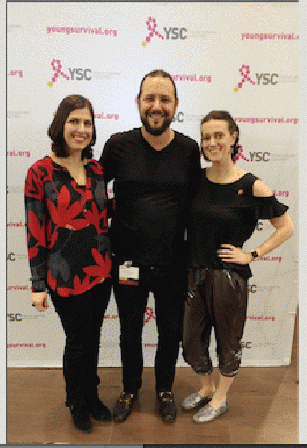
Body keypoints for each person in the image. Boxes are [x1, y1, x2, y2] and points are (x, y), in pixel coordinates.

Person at [99, 69, 201, 422]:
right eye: (150, 99)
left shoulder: (189, 150)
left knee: (169, 332)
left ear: (175, 105)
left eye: (164, 99)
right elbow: (92, 193)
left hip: (173, 265)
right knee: (129, 330)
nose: (157, 106)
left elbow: (196, 205)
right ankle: (129, 389)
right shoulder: (117, 146)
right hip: (127, 263)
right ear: (138, 103)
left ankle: (165, 390)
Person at [181, 110, 294, 423]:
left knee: (228, 342)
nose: (212, 142)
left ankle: (221, 397)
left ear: (233, 138)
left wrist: (253, 254)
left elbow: (286, 227)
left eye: (219, 135)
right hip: (195, 273)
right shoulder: (197, 181)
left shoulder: (251, 185)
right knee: (191, 341)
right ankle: (206, 388)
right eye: (206, 137)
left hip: (229, 278)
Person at [24, 94, 112, 434]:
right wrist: (37, 284)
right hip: (63, 274)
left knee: (93, 337)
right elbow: (34, 230)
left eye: (87, 123)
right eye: (74, 121)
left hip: (100, 270)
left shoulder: (98, 170)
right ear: (61, 125)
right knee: (77, 340)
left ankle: (91, 395)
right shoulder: (40, 173)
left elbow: (102, 219)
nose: (81, 129)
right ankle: (76, 400)